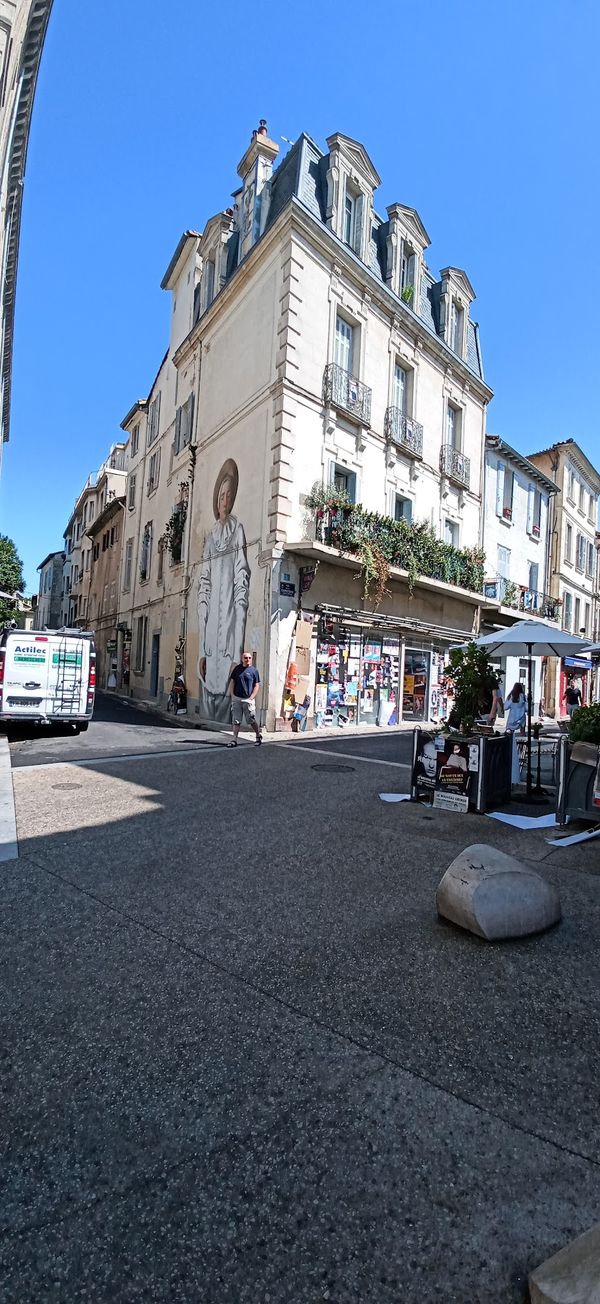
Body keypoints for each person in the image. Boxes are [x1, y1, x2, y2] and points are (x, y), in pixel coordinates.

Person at [198, 460, 250, 722]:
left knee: (226, 692)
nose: (225, 500)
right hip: (210, 637)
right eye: (221, 495)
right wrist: (202, 650)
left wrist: (238, 646)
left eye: (230, 495)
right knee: (209, 688)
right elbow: (203, 585)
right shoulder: (210, 538)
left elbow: (242, 578)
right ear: (216, 498)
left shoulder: (238, 531)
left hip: (229, 628)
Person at [227, 651, 262, 747]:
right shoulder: (237, 669)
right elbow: (232, 681)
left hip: (248, 699)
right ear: (242, 659)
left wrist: (252, 697)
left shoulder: (254, 671)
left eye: (249, 658)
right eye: (246, 658)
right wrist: (232, 694)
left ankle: (258, 736)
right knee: (236, 720)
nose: (248, 660)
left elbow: (257, 685)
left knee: (251, 719)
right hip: (237, 698)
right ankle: (234, 739)